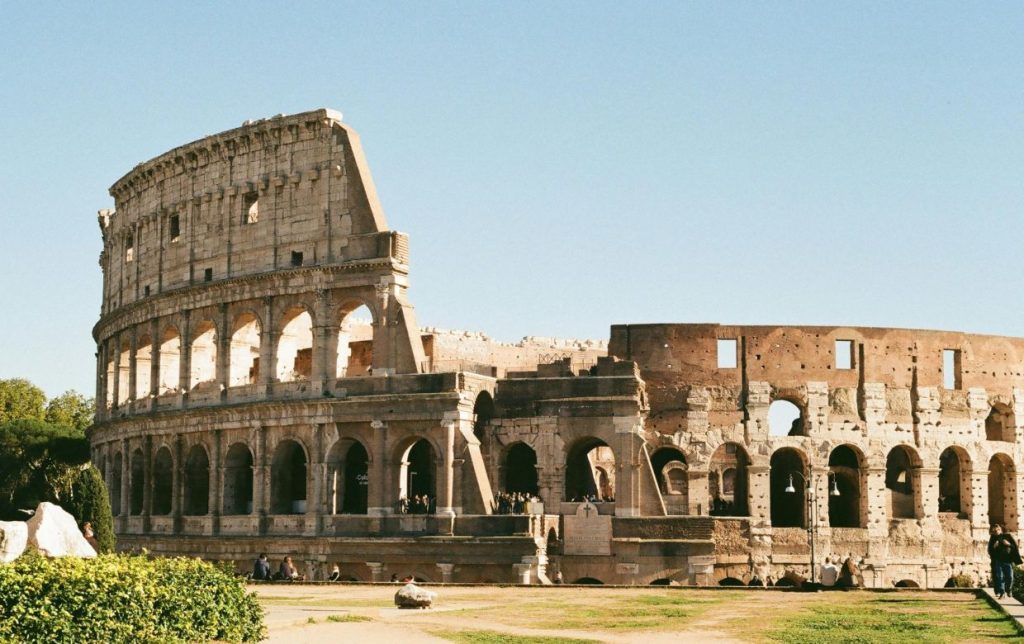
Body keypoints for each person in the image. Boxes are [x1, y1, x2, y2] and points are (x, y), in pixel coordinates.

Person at [988, 524, 1022, 599]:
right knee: (1000, 577)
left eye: (997, 530)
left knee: (1010, 577)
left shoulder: (1008, 536)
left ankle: (1009, 590)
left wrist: (1008, 544)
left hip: (1008, 560)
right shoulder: (993, 538)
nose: (996, 532)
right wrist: (994, 546)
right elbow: (990, 551)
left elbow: (1014, 547)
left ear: (1000, 530)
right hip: (998, 560)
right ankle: (1002, 593)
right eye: (994, 531)